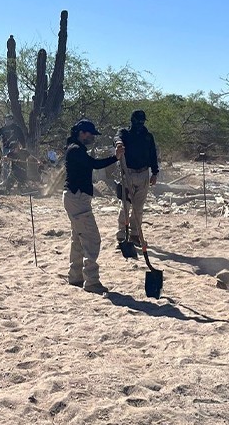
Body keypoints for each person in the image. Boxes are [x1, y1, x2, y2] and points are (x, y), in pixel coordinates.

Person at [63, 119, 124, 292]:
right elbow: (94, 164)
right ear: (82, 133)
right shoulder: (76, 150)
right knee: (92, 238)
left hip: (74, 197)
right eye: (90, 134)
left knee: (78, 237)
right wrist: (115, 158)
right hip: (77, 197)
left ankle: (75, 276)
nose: (92, 138)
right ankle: (91, 281)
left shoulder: (75, 148)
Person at [115, 109, 159, 246]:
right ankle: (122, 234)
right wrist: (118, 144)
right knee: (125, 205)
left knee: (138, 207)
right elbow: (117, 138)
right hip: (127, 173)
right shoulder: (124, 133)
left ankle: (135, 234)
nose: (139, 124)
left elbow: (153, 155)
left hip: (144, 173)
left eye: (142, 121)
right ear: (132, 121)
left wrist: (155, 172)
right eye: (137, 121)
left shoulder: (148, 136)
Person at [0, 114, 26, 186]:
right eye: (6, 119)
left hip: (14, 149)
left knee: (14, 165)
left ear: (12, 120)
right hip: (5, 148)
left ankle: (14, 181)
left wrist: (23, 146)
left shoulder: (17, 128)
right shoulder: (3, 128)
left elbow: (21, 137)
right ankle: (5, 181)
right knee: (5, 165)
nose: (6, 121)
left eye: (8, 119)